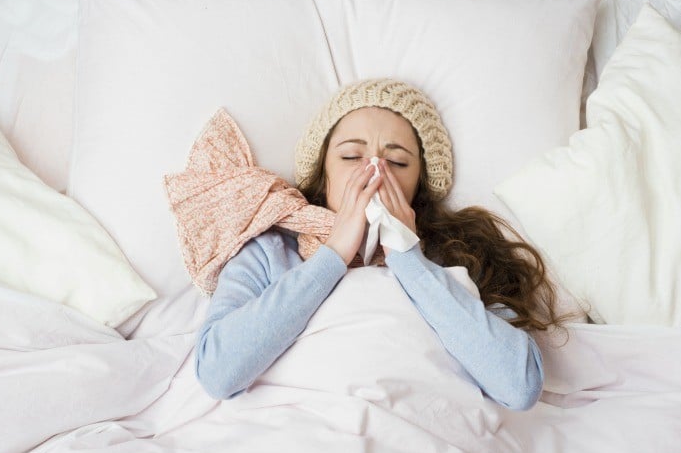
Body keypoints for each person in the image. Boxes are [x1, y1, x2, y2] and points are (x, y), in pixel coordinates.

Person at [195, 78, 569, 410]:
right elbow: (217, 372)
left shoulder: (459, 254)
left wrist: (409, 260)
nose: (374, 172)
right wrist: (333, 255)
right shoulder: (269, 251)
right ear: (322, 174)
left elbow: (519, 386)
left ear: (419, 185)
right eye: (351, 157)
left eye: (397, 162)